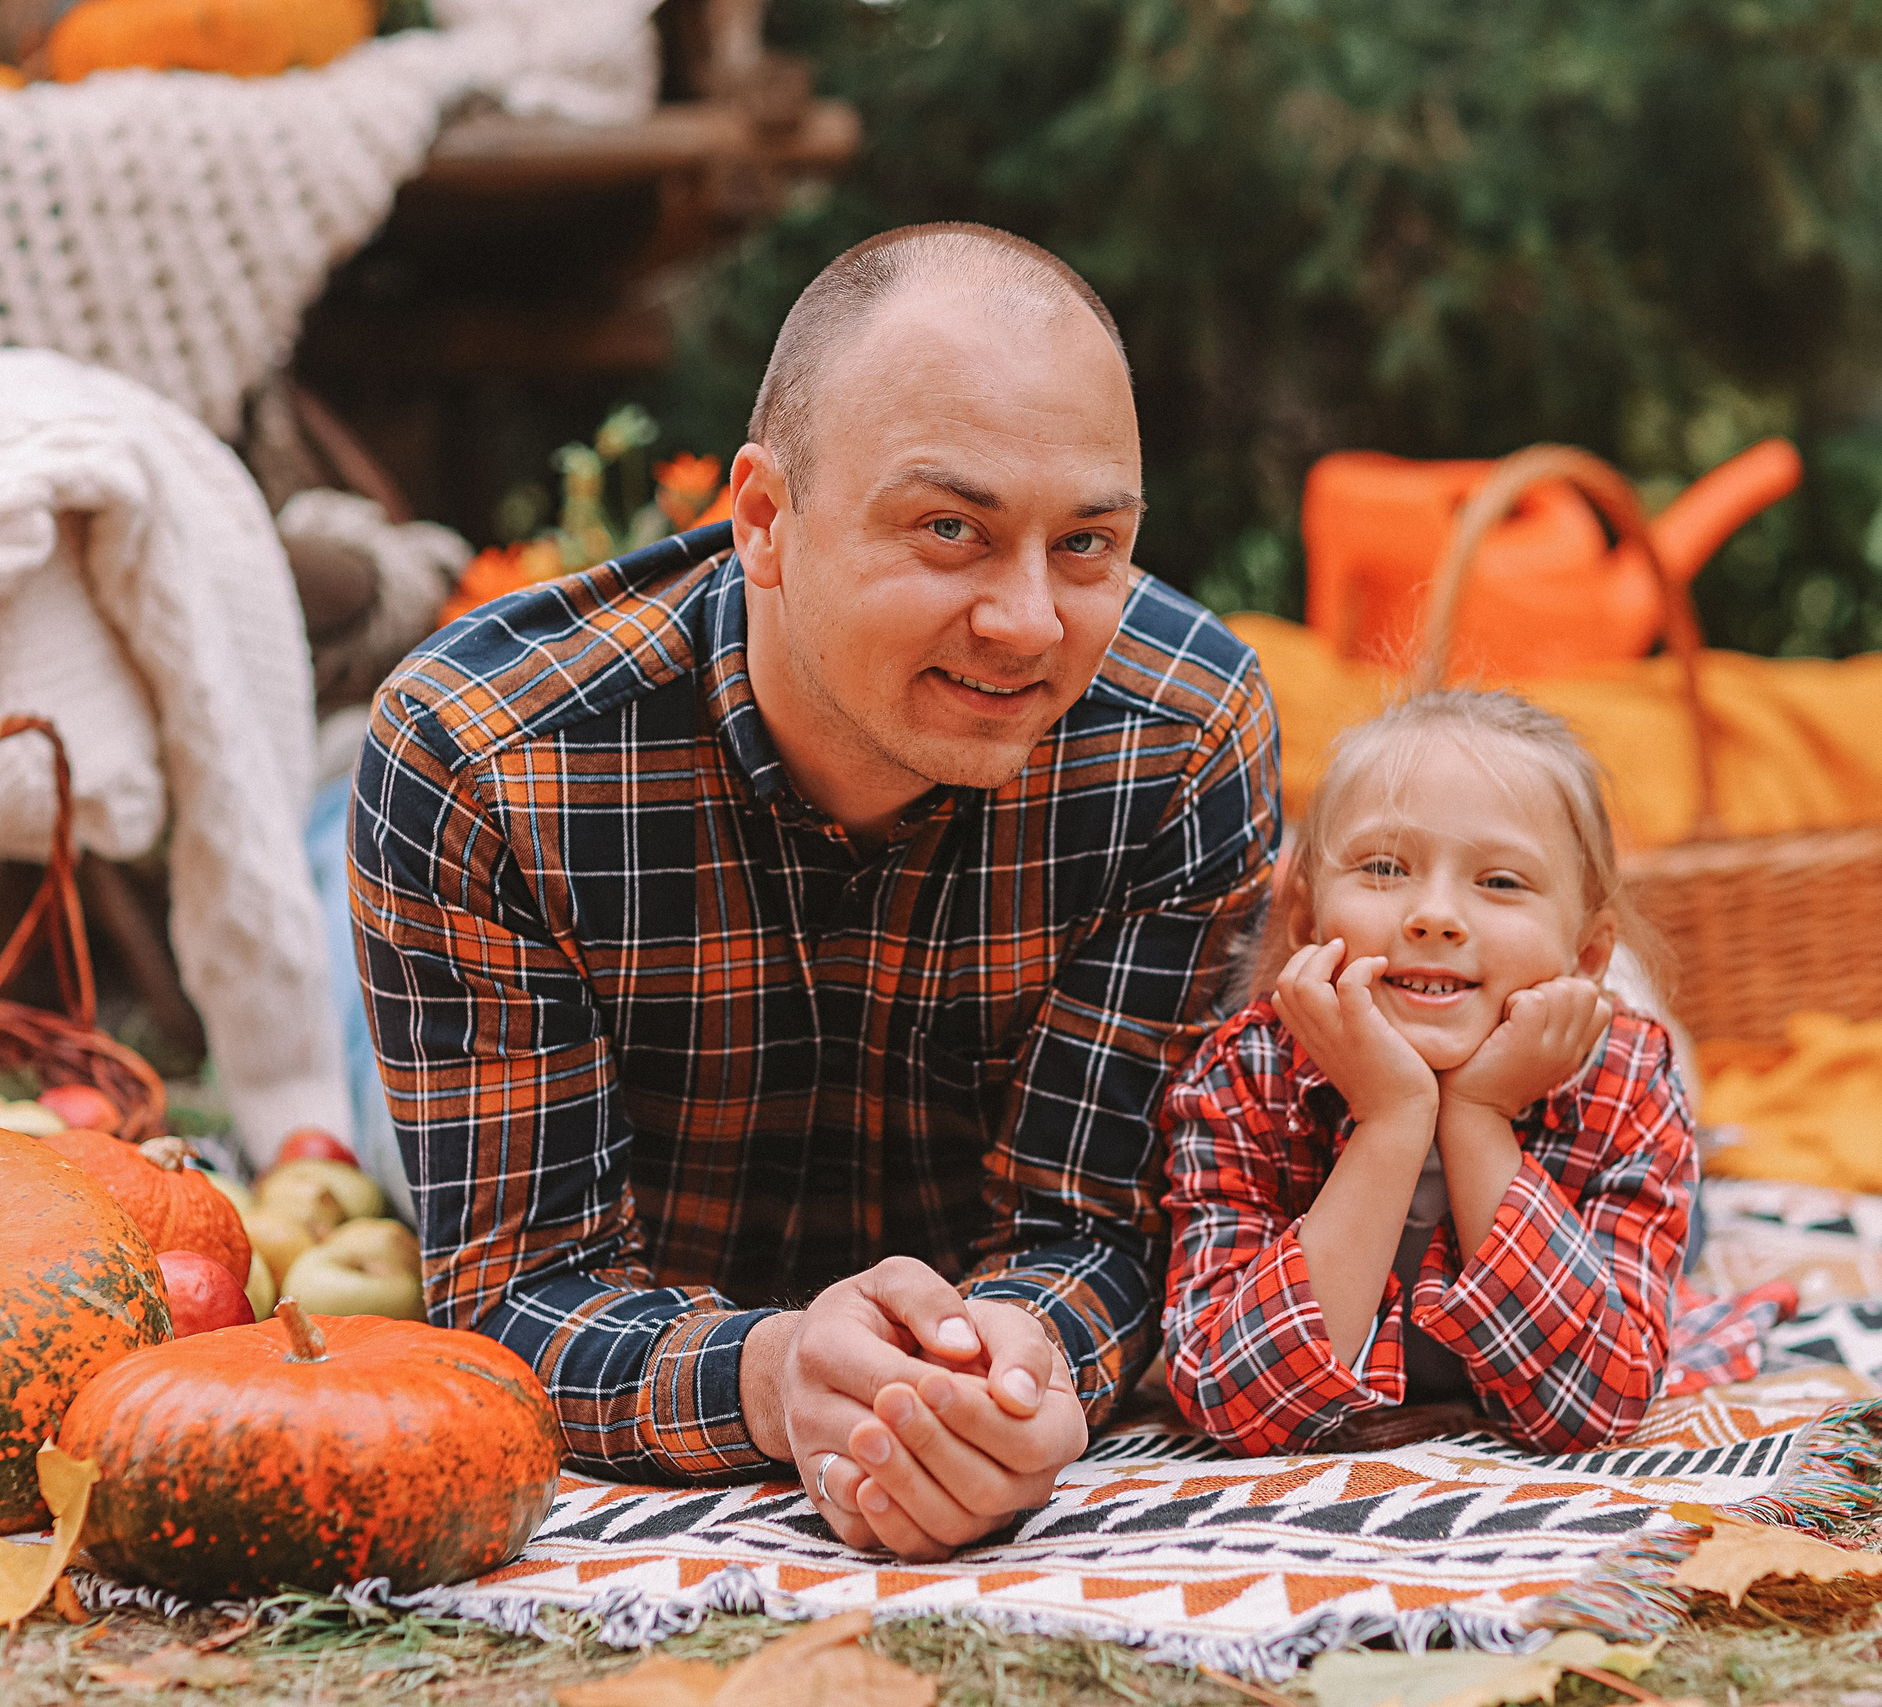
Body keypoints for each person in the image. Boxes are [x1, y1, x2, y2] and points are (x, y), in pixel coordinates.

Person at [350, 223, 1280, 1560]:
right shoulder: (480, 758)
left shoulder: (1181, 736)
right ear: (766, 519)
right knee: (359, 1098)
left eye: (1086, 543)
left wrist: (1015, 1362)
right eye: (950, 528)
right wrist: (778, 1372)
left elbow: (1100, 1226)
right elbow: (509, 1293)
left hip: (912, 1279)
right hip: (462, 1001)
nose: (1027, 619)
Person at [1160, 689, 1694, 1458]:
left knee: (1692, 1205)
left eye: (1501, 881)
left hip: (1616, 1143)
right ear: (1309, 924)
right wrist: (1392, 1119)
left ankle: (1645, 1013)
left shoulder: (1626, 1085)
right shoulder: (1244, 1079)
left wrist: (1477, 1112)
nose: (1435, 915)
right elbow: (1236, 1404)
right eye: (1385, 867)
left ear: (1584, 955)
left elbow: (1596, 1410)